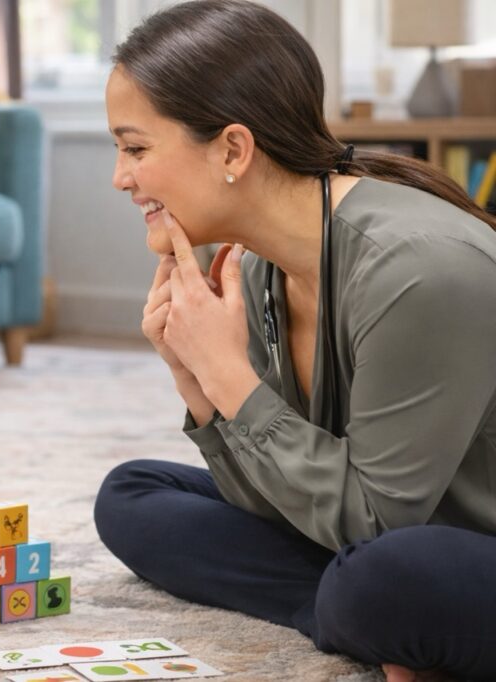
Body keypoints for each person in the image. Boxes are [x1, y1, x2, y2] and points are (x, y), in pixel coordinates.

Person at [93, 2, 496, 681]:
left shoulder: (419, 269)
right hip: (378, 535)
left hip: (448, 543)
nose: (120, 177)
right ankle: (361, 618)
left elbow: (375, 523)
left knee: (384, 575)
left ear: (232, 149)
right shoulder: (258, 267)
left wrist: (231, 381)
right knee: (132, 495)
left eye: (135, 149)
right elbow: (289, 497)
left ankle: (368, 610)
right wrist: (199, 388)